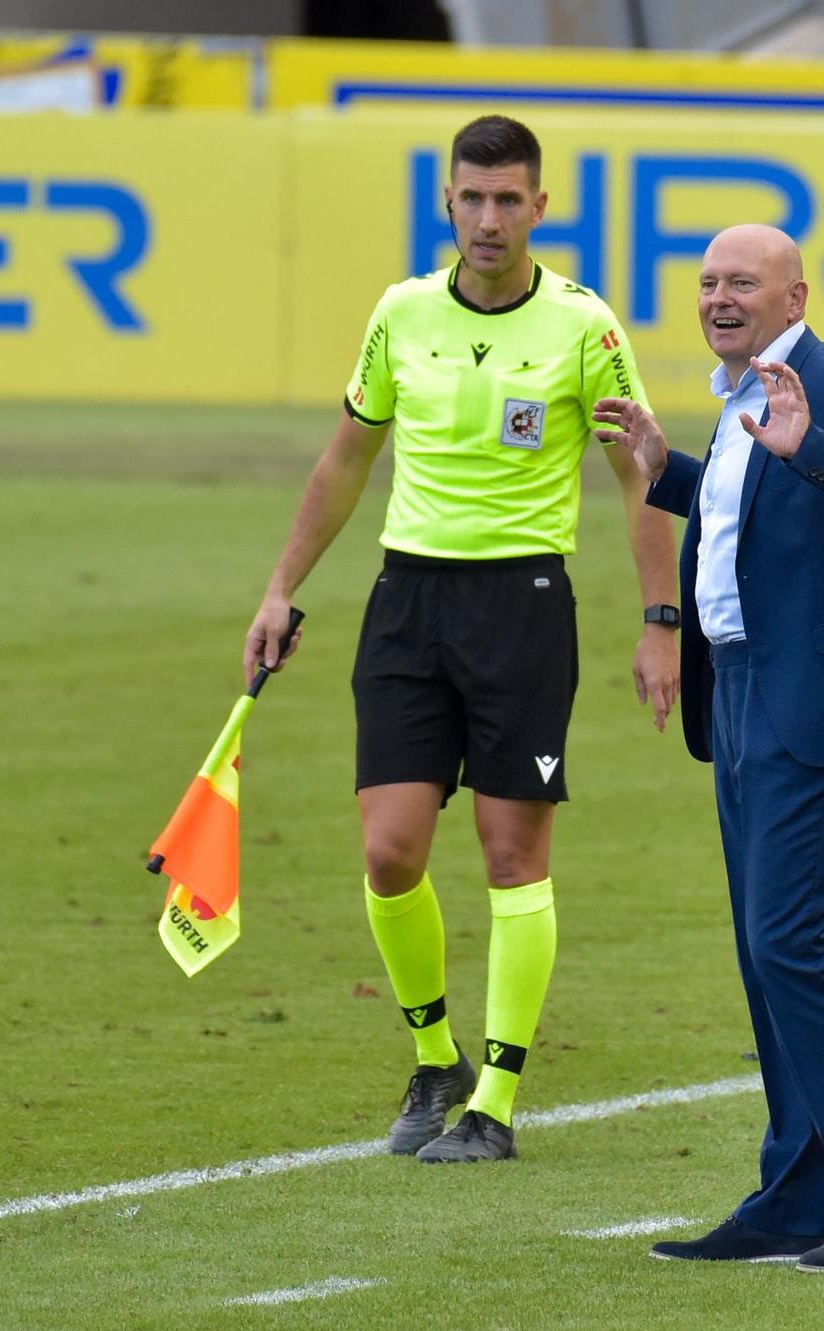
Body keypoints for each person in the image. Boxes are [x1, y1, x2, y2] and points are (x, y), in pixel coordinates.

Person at [243, 115, 680, 1165]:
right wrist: (279, 587)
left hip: (522, 609)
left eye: (507, 199)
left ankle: (497, 1095)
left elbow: (641, 477)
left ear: (539, 206)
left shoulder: (584, 325)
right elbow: (347, 457)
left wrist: (660, 620)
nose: (487, 218)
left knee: (507, 851)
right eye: (469, 198)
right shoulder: (400, 313)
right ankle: (434, 1056)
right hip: (406, 602)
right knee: (388, 849)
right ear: (446, 203)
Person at [592, 224, 824, 1270]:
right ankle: (792, 1195)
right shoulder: (742, 393)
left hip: (820, 704)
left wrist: (819, 449)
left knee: (796, 944)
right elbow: (755, 513)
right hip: (744, 694)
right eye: (706, 281)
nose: (717, 295)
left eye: (740, 281)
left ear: (793, 298)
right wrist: (668, 473)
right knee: (769, 957)